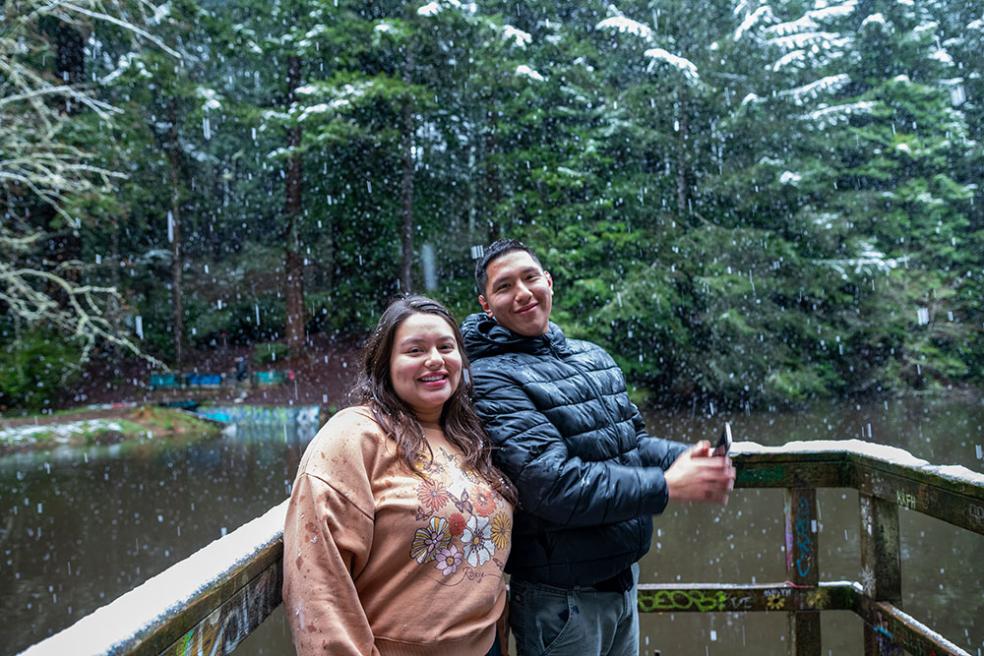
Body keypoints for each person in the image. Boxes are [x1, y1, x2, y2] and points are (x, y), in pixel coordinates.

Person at [461, 239, 735, 656]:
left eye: (531, 277)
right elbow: (552, 486)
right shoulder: (490, 379)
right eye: (504, 287)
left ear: (549, 282)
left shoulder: (592, 357)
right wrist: (666, 485)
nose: (522, 292)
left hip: (624, 581)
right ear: (487, 304)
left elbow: (632, 443)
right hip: (562, 599)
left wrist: (687, 457)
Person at [284, 295, 517, 656]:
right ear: (386, 363)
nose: (435, 360)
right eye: (415, 350)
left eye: (445, 347)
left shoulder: (469, 435)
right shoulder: (355, 435)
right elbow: (317, 581)